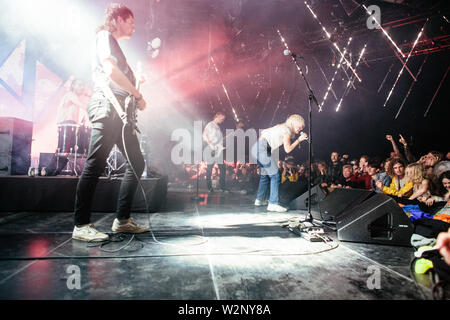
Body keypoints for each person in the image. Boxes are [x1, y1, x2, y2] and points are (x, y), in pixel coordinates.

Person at [72, 3, 149, 242]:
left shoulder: (116, 46)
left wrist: (137, 87)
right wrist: (136, 93)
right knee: (95, 164)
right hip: (106, 107)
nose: (134, 26)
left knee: (136, 162)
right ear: (117, 19)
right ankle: (81, 224)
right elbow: (110, 71)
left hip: (119, 112)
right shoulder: (104, 35)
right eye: (130, 21)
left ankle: (122, 220)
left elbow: (121, 81)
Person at [252, 114, 308, 212]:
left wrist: (269, 149)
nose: (301, 129)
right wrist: (299, 140)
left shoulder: (280, 126)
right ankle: (273, 204)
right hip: (263, 149)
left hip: (257, 147)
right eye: (300, 126)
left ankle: (259, 200)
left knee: (265, 176)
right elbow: (288, 149)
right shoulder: (287, 131)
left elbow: (265, 131)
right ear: (294, 123)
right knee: (275, 175)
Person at [202, 112, 227, 193]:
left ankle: (222, 187)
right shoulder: (210, 125)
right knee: (209, 168)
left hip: (218, 149)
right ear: (218, 116)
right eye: (222, 118)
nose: (223, 120)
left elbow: (218, 140)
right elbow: (204, 135)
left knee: (222, 168)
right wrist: (210, 145)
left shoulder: (217, 127)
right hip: (211, 149)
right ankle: (209, 187)